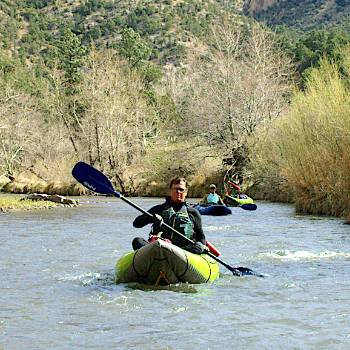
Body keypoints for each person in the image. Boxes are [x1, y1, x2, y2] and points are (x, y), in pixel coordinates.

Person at [132, 177, 208, 254]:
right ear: (170, 191)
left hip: (183, 251)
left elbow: (201, 236)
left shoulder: (193, 213)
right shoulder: (159, 209)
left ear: (186, 192)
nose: (178, 192)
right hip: (160, 248)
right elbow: (136, 224)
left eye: (181, 189)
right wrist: (151, 217)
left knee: (198, 246)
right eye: (175, 189)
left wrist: (201, 246)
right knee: (137, 241)